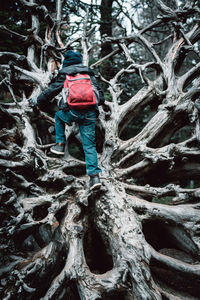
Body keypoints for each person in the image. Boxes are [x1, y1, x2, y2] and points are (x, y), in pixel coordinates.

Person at [29, 50, 105, 191]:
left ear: (67, 62)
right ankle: (95, 178)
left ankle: (59, 145)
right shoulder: (89, 74)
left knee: (58, 117)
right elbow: (101, 98)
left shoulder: (65, 73)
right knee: (89, 146)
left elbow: (50, 92)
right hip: (89, 114)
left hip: (72, 112)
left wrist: (38, 102)